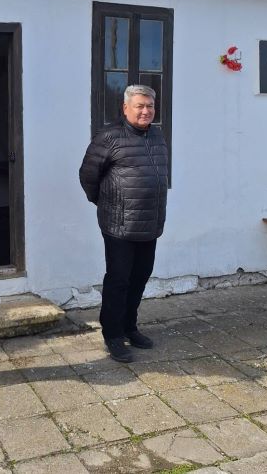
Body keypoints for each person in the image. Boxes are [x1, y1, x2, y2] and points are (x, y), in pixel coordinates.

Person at [79, 85, 168, 363]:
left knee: (140, 277)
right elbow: (88, 176)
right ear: (125, 108)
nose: (146, 111)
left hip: (149, 222)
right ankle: (113, 334)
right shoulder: (109, 137)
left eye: (150, 106)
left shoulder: (157, 135)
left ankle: (130, 327)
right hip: (119, 224)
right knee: (119, 280)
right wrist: (106, 202)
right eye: (140, 106)